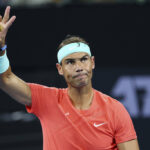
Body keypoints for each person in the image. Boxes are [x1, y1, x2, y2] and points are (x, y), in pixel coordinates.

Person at [0, 6, 140, 150]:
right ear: (60, 69)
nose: (79, 67)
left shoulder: (115, 110)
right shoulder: (46, 99)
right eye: (70, 62)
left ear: (92, 62)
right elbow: (6, 79)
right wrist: (0, 49)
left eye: (83, 59)